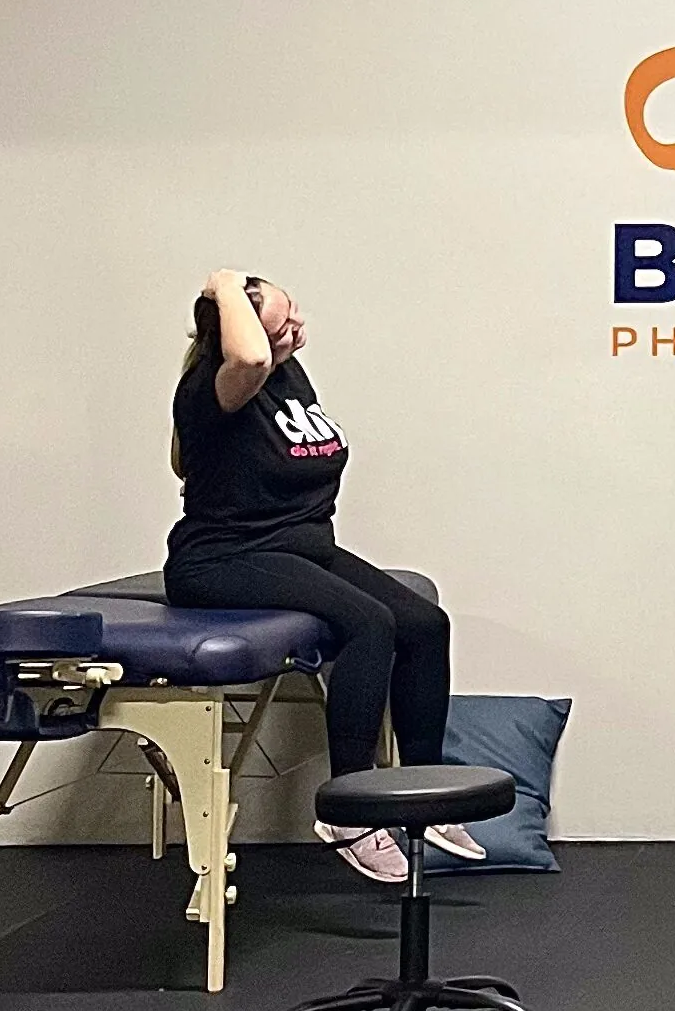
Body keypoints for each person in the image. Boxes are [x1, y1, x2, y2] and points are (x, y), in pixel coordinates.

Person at [167, 268, 480, 885]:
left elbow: (205, 437)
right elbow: (248, 354)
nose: (300, 327)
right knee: (369, 624)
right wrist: (225, 284)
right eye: (285, 321)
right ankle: (349, 812)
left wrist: (263, 316)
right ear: (245, 333)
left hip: (299, 546)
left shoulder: (286, 375)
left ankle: (423, 791)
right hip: (222, 559)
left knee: (423, 623)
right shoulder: (224, 384)